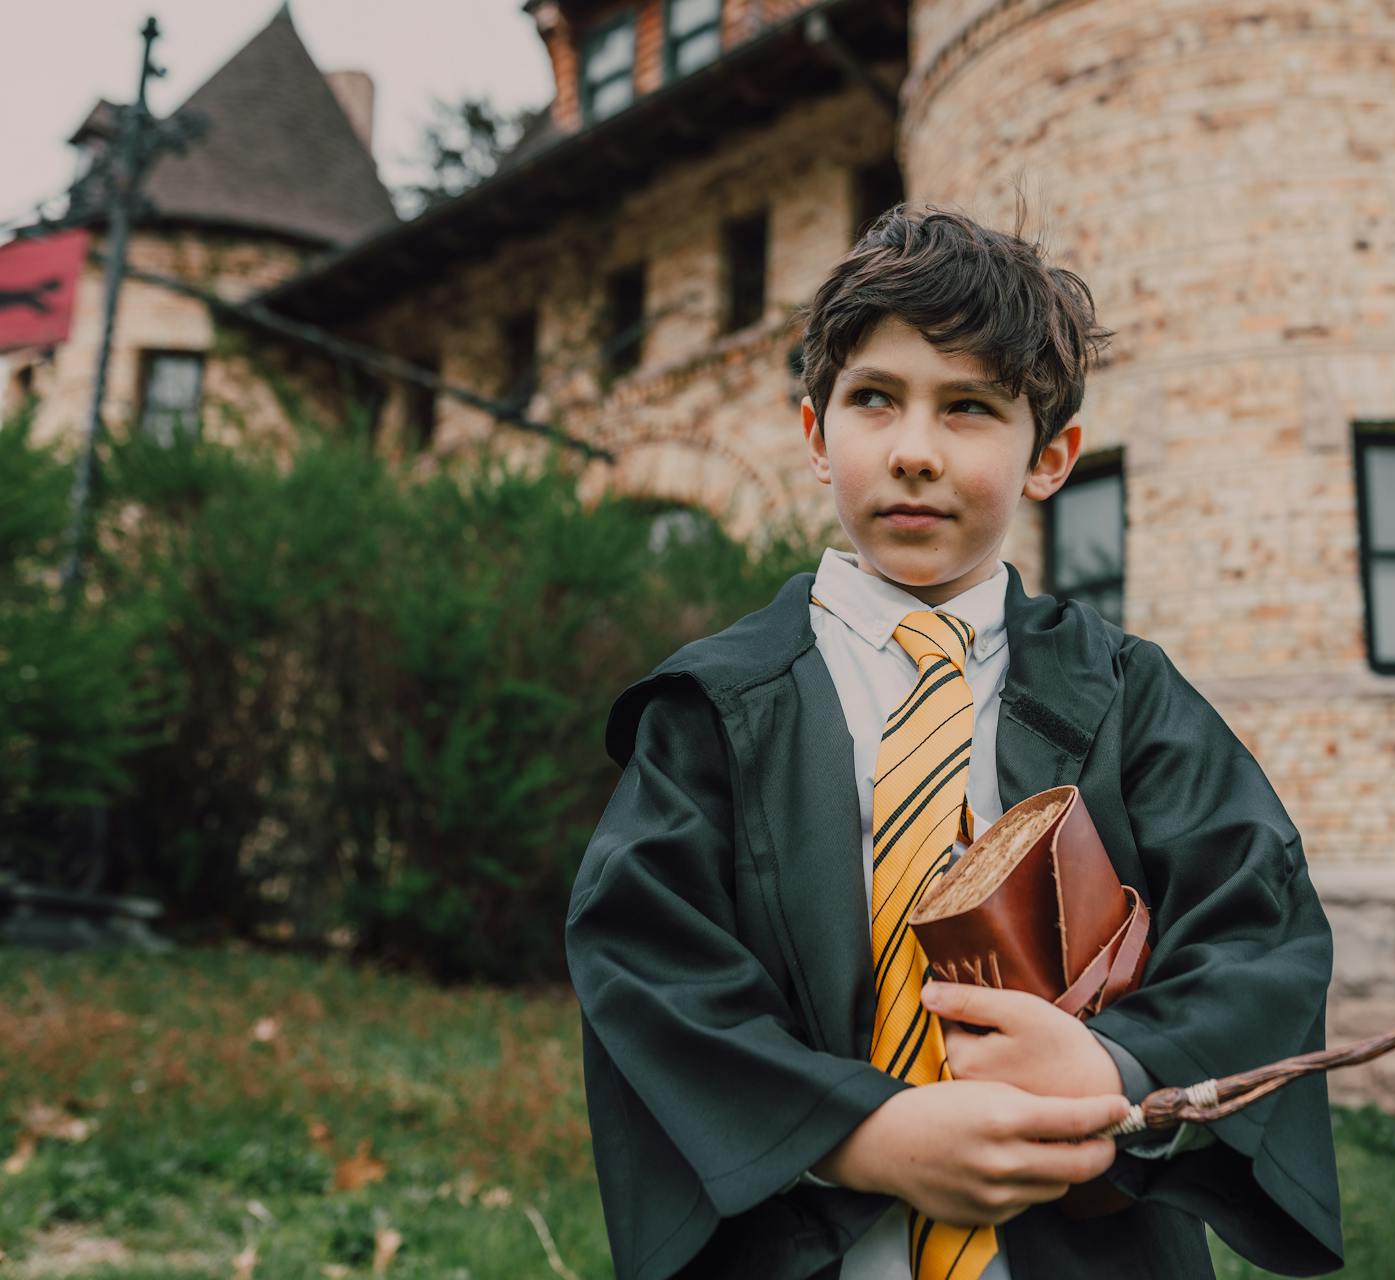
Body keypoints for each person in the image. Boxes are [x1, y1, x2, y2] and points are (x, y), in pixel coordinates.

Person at [566, 202, 1343, 1280]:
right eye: (875, 399)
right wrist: (859, 1132)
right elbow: (649, 959)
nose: (916, 452)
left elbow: (1260, 931)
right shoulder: (716, 706)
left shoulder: (1126, 697)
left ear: (1051, 457)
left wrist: (1116, 1063)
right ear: (813, 432)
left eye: (970, 407)